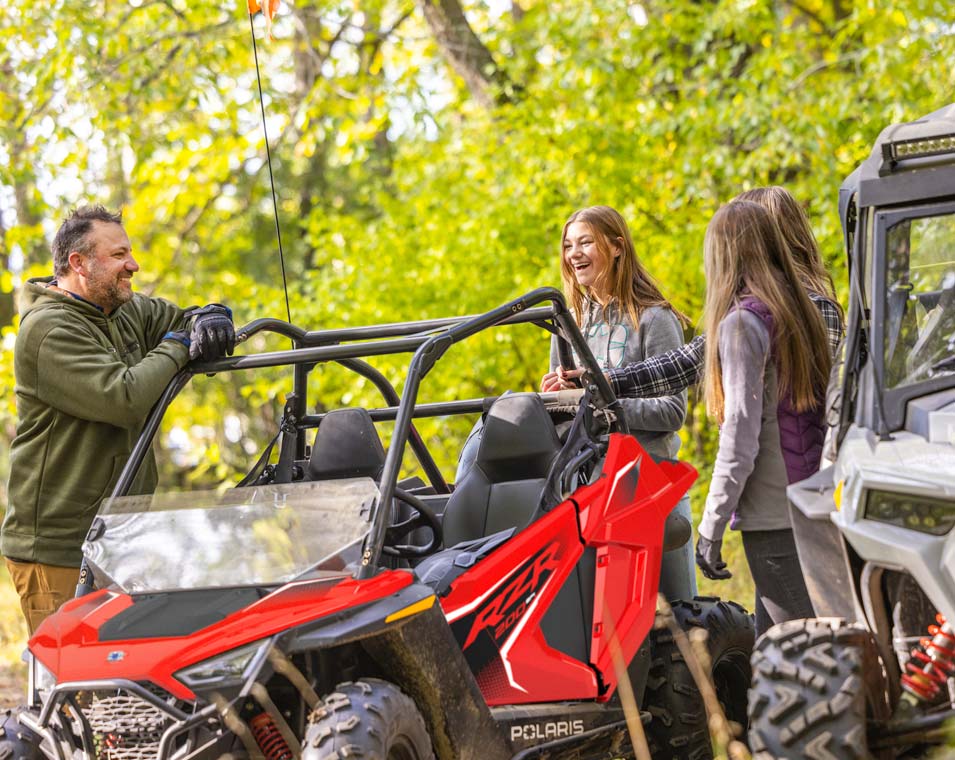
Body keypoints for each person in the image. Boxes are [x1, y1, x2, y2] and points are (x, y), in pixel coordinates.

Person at [1, 205, 236, 633]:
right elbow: (125, 397)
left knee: (129, 664)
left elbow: (182, 319)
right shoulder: (48, 330)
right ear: (79, 263)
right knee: (78, 670)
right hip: (60, 550)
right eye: (118, 255)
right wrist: (179, 345)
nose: (133, 265)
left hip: (120, 534)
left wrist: (210, 314)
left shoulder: (123, 310)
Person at [544, 187, 843, 400]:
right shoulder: (747, 312)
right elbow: (683, 363)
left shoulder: (815, 309)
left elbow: (812, 399)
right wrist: (600, 381)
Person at [539, 205, 696, 601]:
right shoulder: (568, 323)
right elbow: (567, 411)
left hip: (651, 483)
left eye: (585, 242)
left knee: (680, 614)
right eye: (568, 245)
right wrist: (554, 394)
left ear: (617, 247)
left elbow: (673, 411)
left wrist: (605, 408)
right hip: (589, 490)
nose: (574, 253)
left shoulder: (655, 318)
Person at [693, 200, 831, 635]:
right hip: (812, 495)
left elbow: (740, 434)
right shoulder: (799, 310)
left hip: (774, 513)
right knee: (771, 648)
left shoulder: (742, 324)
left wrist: (711, 525)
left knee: (806, 649)